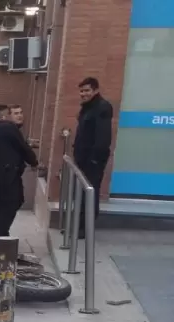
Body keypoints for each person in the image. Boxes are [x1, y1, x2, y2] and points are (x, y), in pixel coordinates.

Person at [0, 103, 38, 245]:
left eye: (20, 113)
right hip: (7, 175)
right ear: (3, 117)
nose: (19, 116)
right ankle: (0, 235)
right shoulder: (8, 128)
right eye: (13, 114)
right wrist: (34, 163)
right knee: (12, 202)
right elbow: (23, 148)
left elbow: (8, 147)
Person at [72, 77, 113, 238]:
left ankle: (84, 228)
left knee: (90, 193)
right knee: (81, 193)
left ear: (95, 90)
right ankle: (77, 226)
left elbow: (103, 136)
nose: (84, 94)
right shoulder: (87, 108)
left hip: (92, 160)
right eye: (81, 91)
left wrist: (94, 159)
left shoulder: (102, 107)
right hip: (82, 158)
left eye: (87, 90)